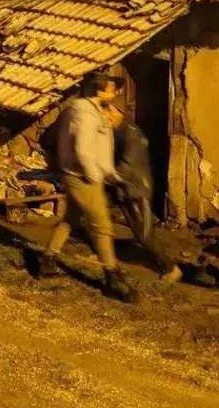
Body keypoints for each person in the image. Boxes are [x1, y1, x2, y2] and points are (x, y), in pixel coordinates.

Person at [43, 71, 139, 303]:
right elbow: (83, 150)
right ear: (98, 90)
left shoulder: (89, 110)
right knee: (103, 226)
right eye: (111, 89)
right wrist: (95, 175)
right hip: (82, 177)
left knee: (70, 220)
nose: (115, 93)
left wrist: (111, 173)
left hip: (82, 175)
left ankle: (46, 262)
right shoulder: (84, 115)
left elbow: (98, 147)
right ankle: (113, 278)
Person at [103, 103, 182, 283]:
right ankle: (109, 255)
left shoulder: (131, 132)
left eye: (111, 111)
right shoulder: (114, 132)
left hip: (138, 190)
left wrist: (104, 173)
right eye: (105, 111)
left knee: (145, 233)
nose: (108, 115)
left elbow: (127, 164)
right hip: (124, 189)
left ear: (121, 111)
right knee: (137, 232)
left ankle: (172, 268)